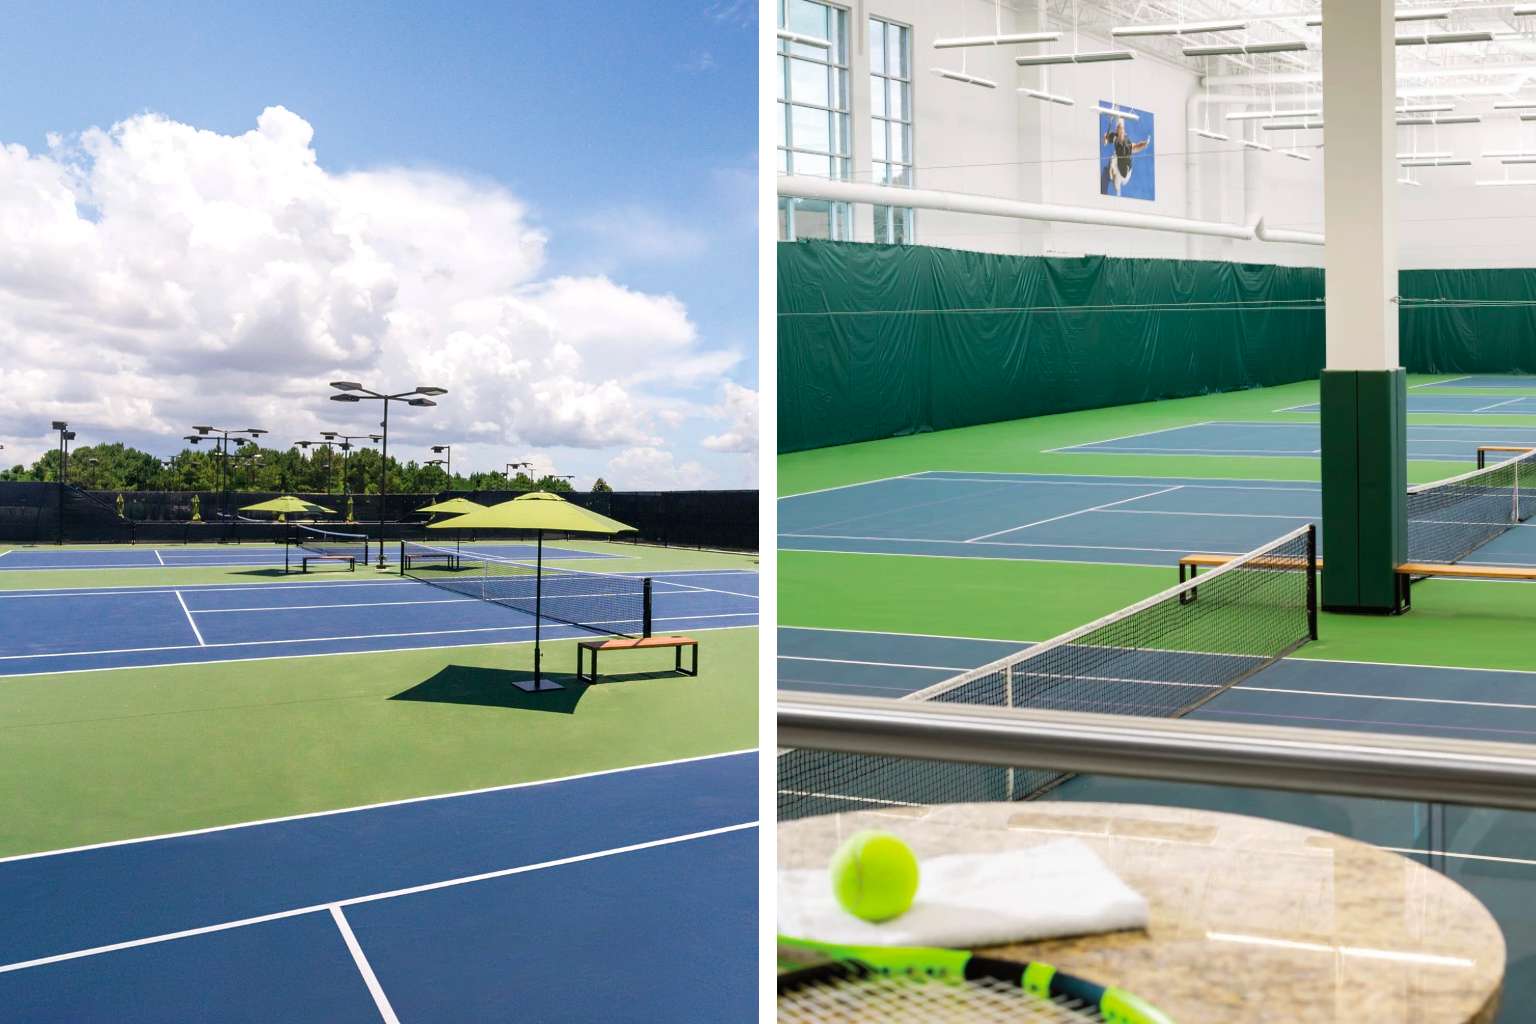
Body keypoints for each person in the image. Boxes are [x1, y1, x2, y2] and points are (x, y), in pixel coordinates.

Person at [1102, 116, 1150, 197]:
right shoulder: (1115, 137)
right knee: (1113, 158)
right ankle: (1112, 173)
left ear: (1124, 134)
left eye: (1121, 130)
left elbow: (1137, 146)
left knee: (1119, 185)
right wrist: (1105, 139)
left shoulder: (1128, 145)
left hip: (1126, 175)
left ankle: (1114, 176)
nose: (1119, 132)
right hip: (1118, 166)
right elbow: (1106, 138)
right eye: (1118, 129)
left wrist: (1145, 143)